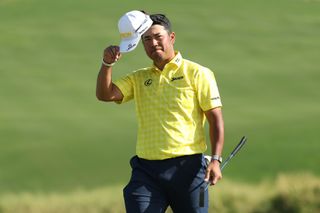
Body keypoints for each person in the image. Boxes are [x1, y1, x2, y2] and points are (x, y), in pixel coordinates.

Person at [96, 10, 224, 213]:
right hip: (146, 171)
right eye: (147, 39)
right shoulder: (139, 78)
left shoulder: (198, 73)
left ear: (171, 37)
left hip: (188, 168)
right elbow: (106, 94)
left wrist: (216, 160)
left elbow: (215, 119)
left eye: (158, 37)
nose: (153, 43)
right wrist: (107, 64)